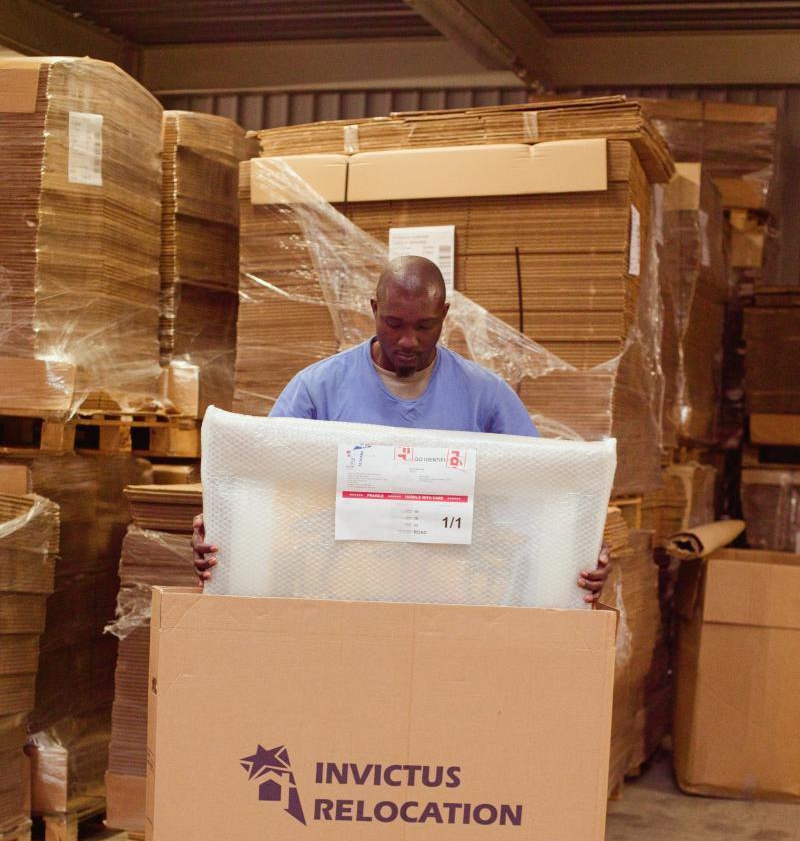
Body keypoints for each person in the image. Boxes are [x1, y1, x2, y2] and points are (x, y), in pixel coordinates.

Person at [193, 256, 610, 602]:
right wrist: (218, 529)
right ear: (374, 309)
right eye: (394, 324)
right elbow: (264, 486)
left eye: (424, 326)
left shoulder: (485, 396)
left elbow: (540, 494)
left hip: (452, 600)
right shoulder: (317, 389)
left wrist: (582, 551)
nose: (408, 341)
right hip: (337, 595)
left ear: (444, 315)